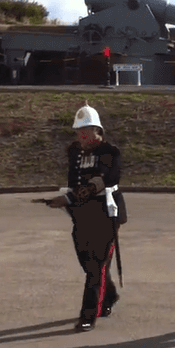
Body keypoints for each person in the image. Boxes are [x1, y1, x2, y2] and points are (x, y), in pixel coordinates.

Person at [43, 102, 125, 332]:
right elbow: (73, 181)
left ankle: (88, 315)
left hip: (104, 213)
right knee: (87, 262)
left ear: (97, 131)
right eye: (79, 131)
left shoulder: (110, 152)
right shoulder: (74, 152)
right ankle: (109, 294)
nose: (81, 135)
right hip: (81, 213)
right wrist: (65, 199)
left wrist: (79, 194)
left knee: (96, 266)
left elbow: (106, 178)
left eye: (86, 131)